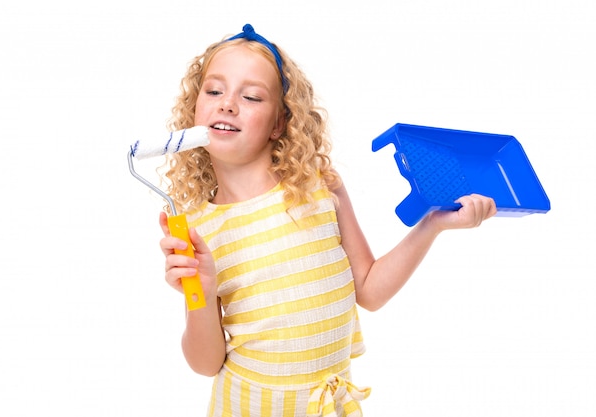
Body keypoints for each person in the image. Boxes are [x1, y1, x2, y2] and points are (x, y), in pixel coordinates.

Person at [157, 24, 496, 417]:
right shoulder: (198, 226)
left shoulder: (320, 188)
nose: (227, 103)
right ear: (194, 111)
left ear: (279, 124)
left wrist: (432, 223)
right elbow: (205, 363)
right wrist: (201, 289)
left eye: (250, 96)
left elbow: (369, 290)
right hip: (247, 406)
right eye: (214, 91)